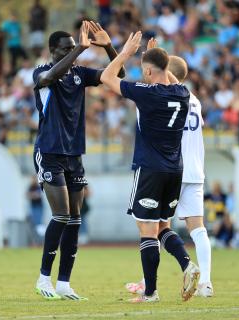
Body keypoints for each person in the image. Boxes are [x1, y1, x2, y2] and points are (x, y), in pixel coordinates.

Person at [100, 32, 199, 303]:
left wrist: (126, 51)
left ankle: (151, 293)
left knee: (146, 231)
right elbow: (168, 74)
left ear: (147, 70)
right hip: (174, 170)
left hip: (150, 168)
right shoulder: (183, 92)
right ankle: (187, 264)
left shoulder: (147, 93)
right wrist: (156, 57)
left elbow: (107, 78)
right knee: (163, 227)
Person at [33, 21, 124, 300]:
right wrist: (81, 50)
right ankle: (43, 279)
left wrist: (108, 45)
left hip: (74, 154)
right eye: (66, 49)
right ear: (52, 50)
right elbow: (49, 77)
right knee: (60, 215)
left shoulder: (80, 74)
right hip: (49, 152)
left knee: (74, 219)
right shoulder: (41, 72)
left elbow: (117, 74)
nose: (73, 53)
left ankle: (63, 283)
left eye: (74, 48)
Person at [125, 48, 213, 298]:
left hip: (164, 165)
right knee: (195, 229)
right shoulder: (190, 97)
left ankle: (150, 286)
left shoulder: (153, 96)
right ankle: (205, 282)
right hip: (192, 169)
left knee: (152, 227)